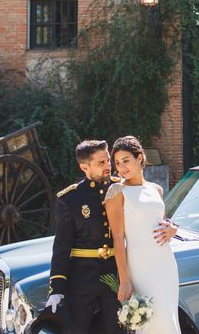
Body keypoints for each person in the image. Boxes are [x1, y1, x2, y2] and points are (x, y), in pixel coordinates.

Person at [44, 140, 123, 334]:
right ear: (84, 167)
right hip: (82, 279)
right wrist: (57, 288)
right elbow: (61, 247)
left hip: (116, 275)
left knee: (117, 330)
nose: (108, 166)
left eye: (108, 161)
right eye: (101, 163)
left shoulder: (122, 189)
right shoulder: (70, 199)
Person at [104, 135, 181, 334]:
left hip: (165, 264)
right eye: (117, 163)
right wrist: (125, 280)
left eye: (126, 160)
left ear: (140, 158)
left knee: (169, 320)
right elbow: (118, 239)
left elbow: (161, 222)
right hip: (141, 266)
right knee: (155, 322)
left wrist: (173, 228)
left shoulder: (156, 189)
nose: (121, 168)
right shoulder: (116, 192)